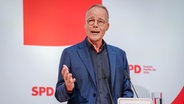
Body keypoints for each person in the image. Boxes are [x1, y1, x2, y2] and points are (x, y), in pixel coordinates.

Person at [55, 4, 133, 104]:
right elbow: (59, 96)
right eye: (91, 20)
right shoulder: (70, 53)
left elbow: (127, 91)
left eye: (100, 21)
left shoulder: (119, 55)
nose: (95, 25)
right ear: (85, 25)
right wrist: (67, 88)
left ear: (107, 26)